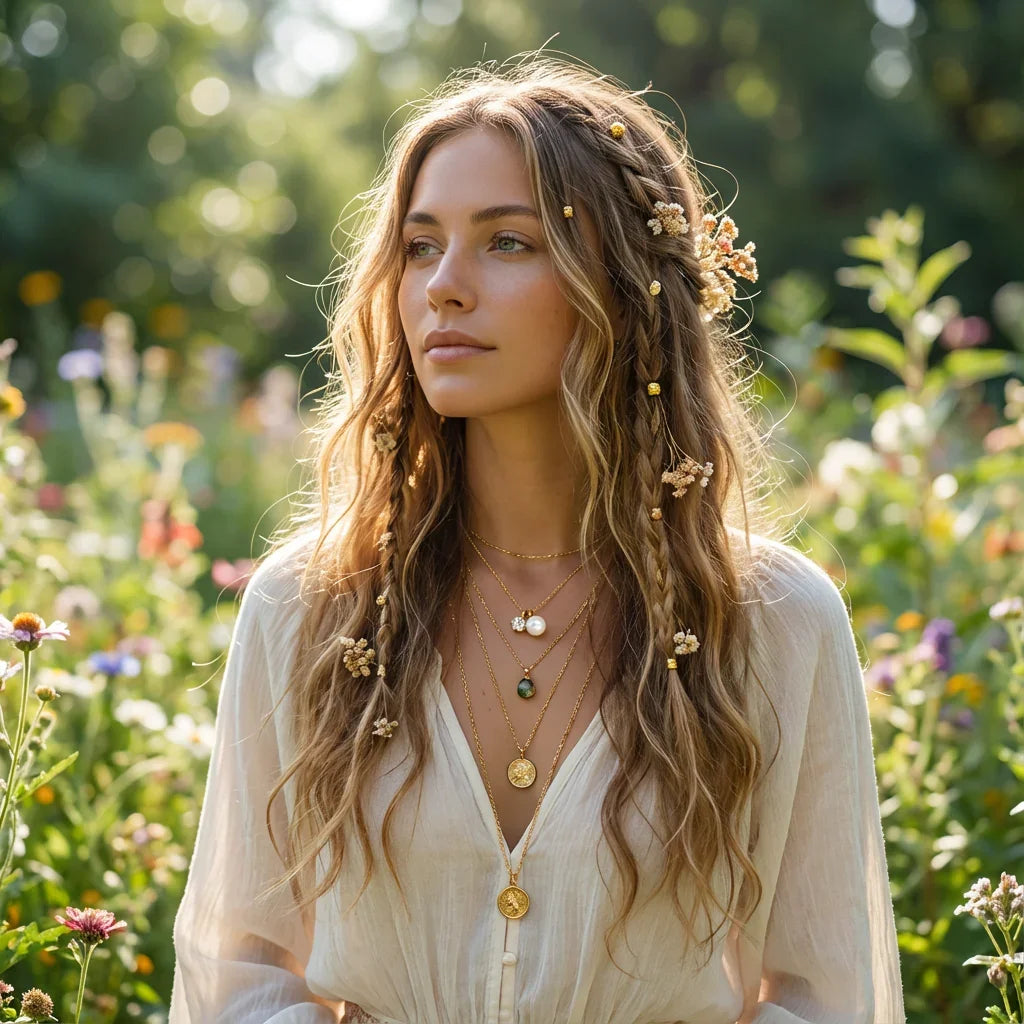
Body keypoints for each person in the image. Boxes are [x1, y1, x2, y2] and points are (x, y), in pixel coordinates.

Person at [168, 51, 906, 1024]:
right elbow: (236, 974)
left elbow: (824, 994)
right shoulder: (310, 604)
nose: (444, 286)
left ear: (625, 281)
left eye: (507, 242)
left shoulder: (771, 621)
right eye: (421, 245)